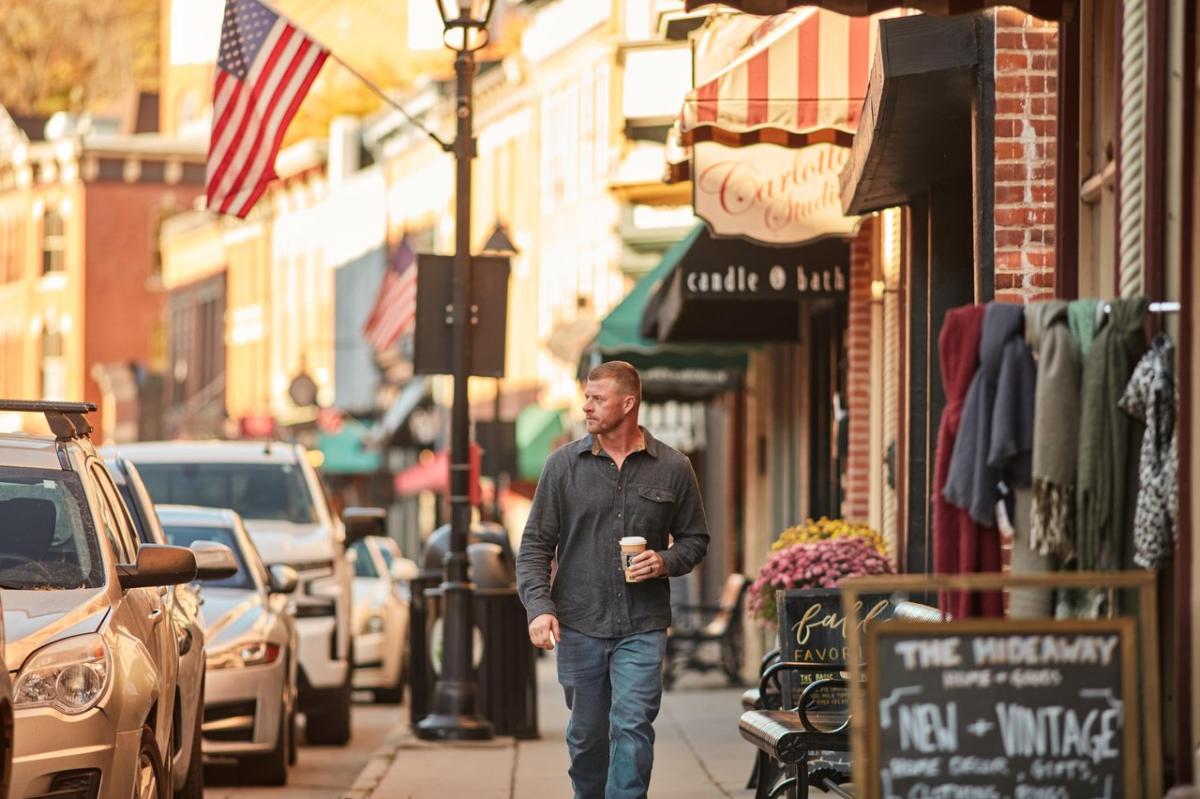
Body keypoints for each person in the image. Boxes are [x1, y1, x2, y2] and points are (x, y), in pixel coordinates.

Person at [516, 361, 710, 799]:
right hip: (579, 623)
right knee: (587, 739)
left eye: (597, 398)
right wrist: (539, 608)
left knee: (632, 726)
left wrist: (663, 561)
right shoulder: (563, 466)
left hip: (642, 625)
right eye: (586, 397)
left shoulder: (673, 467)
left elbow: (696, 539)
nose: (586, 407)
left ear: (628, 403)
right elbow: (534, 547)